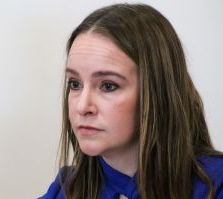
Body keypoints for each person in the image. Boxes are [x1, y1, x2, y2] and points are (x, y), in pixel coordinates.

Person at [39, 3, 223, 199]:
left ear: (157, 91)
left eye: (108, 86)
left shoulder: (215, 185)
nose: (82, 107)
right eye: (75, 84)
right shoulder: (65, 189)